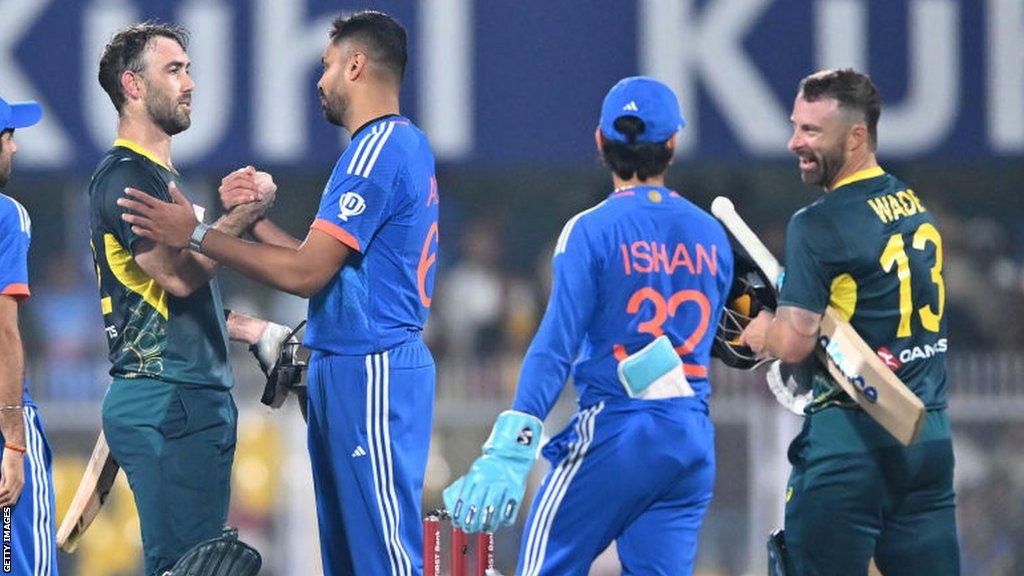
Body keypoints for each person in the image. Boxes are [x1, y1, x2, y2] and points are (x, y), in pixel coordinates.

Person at [116, 11, 440, 575]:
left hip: (373, 372)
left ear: (357, 65)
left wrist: (194, 233)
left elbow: (305, 277)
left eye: (328, 65)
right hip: (351, 367)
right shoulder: (388, 147)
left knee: (386, 558)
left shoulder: (377, 148)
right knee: (352, 559)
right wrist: (257, 220)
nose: (320, 80)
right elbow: (326, 267)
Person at [443, 77, 734, 574]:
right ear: (672, 144)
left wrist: (512, 449)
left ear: (600, 142)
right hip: (689, 439)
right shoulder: (713, 234)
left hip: (616, 431)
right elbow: (728, 340)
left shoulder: (591, 229)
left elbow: (556, 344)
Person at [87, 22, 292, 575]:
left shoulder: (155, 178)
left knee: (198, 565)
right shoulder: (128, 177)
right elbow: (178, 277)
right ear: (132, 85)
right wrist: (244, 216)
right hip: (169, 400)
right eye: (174, 69)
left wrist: (249, 328)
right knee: (192, 569)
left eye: (189, 68)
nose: (190, 82)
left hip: (181, 399)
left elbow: (164, 301)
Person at [739, 68, 959, 575]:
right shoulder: (915, 208)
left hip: (850, 441)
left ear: (857, 136)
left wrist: (762, 333)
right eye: (796, 126)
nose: (795, 142)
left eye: (812, 131)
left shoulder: (816, 222)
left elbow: (794, 342)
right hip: (927, 437)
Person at [0, 95, 59, 576]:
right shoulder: (6, 216)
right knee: (22, 566)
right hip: (2, 425)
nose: (15, 150)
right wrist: (14, 445)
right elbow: (4, 331)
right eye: (8, 138)